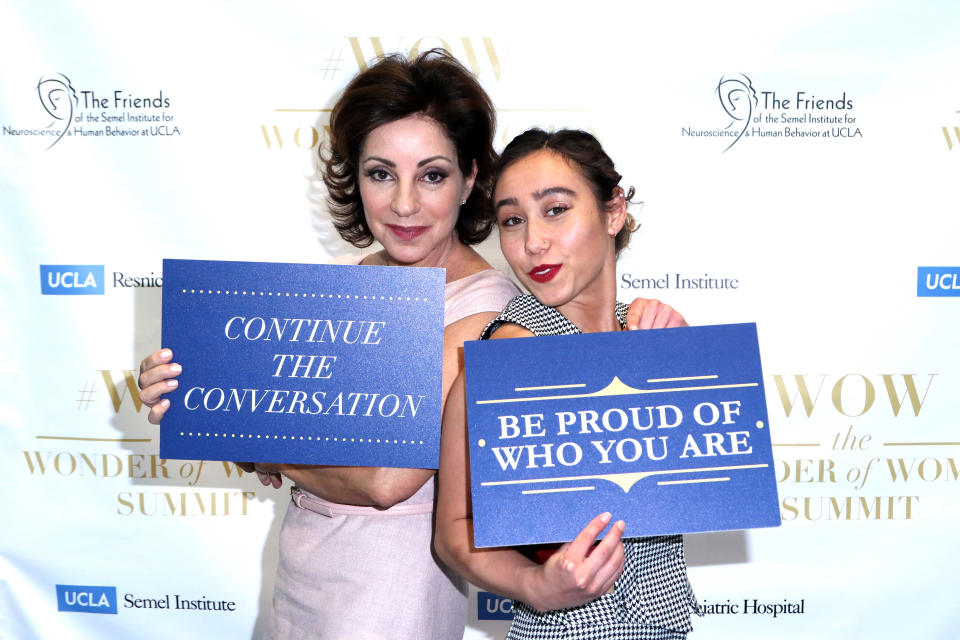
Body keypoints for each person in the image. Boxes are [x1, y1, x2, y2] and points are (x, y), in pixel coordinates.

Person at [138, 52, 684, 638]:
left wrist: (268, 452)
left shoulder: (490, 311)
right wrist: (189, 390)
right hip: (305, 573)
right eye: (380, 173)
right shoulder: (344, 286)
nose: (404, 204)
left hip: (392, 595)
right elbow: (274, 418)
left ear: (470, 178)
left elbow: (384, 480)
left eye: (431, 175)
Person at [435, 128, 699, 640]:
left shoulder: (647, 329)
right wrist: (535, 585)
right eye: (512, 220)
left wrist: (682, 363)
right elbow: (453, 530)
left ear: (613, 211)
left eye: (555, 209)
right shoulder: (513, 350)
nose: (533, 242)